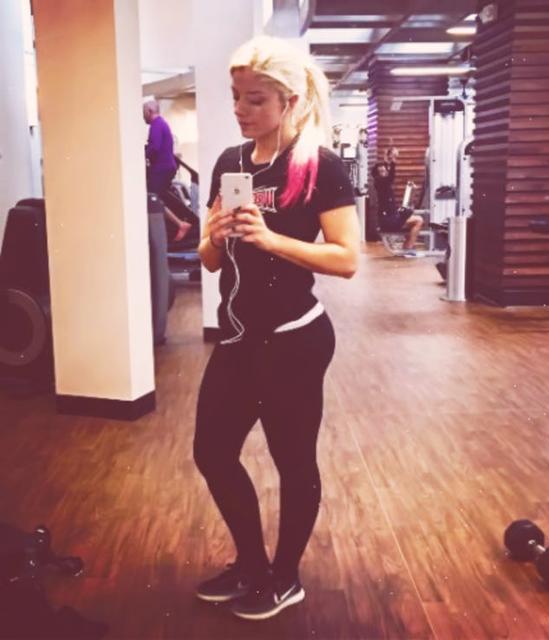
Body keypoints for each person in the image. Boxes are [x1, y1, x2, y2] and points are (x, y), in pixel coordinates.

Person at [193, 36, 359, 621]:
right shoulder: (230, 163)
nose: (240, 109)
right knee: (212, 452)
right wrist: (216, 236)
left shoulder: (319, 166)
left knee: (293, 461)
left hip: (295, 340)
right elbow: (209, 261)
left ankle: (285, 577)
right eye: (236, 96)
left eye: (255, 99)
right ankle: (251, 565)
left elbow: (347, 258)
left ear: (289, 101)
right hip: (237, 339)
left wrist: (270, 240)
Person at [143, 99, 192, 242]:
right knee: (158, 196)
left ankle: (181, 224)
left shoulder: (156, 125)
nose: (143, 116)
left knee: (152, 197)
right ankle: (181, 223)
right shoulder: (162, 124)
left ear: (149, 111)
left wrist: (142, 156)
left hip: (162, 168)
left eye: (143, 113)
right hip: (166, 167)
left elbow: (155, 147)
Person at [372, 147, 424, 253]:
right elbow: (390, 177)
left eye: (384, 171)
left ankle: (407, 246)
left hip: (390, 218)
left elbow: (389, 176)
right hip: (389, 221)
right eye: (381, 171)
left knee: (411, 217)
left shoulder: (384, 184)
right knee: (419, 220)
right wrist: (392, 161)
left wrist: (388, 161)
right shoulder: (379, 182)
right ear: (377, 174)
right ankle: (408, 248)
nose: (383, 172)